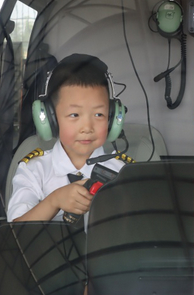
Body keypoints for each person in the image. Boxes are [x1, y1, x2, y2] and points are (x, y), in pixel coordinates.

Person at [7, 54, 126, 223]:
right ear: (50, 119)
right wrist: (54, 201)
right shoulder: (34, 171)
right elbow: (15, 233)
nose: (87, 127)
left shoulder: (124, 173)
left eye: (99, 114)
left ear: (112, 117)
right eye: (74, 115)